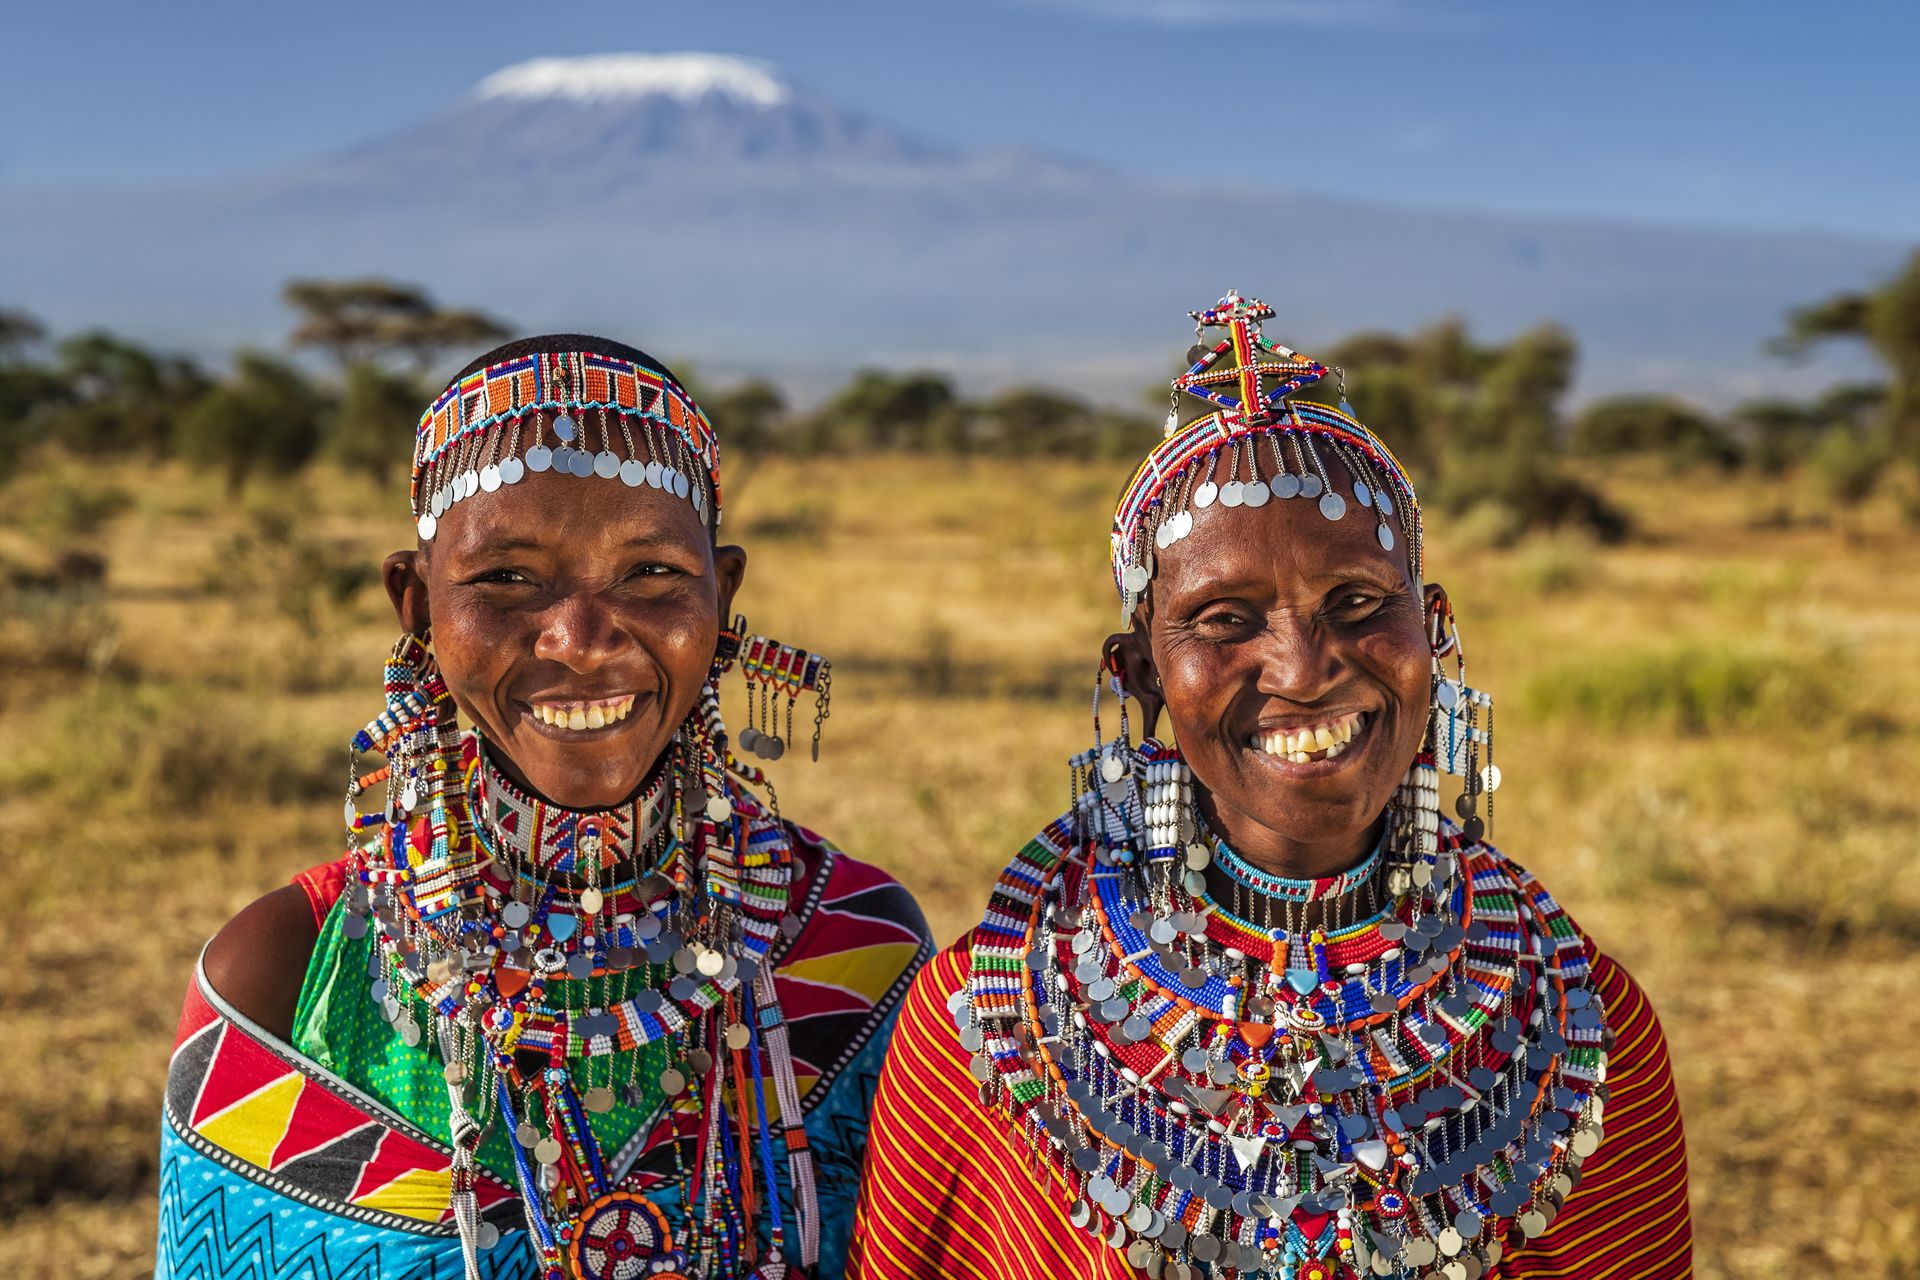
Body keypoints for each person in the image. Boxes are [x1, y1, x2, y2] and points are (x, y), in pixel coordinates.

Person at [850, 293, 1689, 1279]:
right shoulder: (987, 1026)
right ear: (1142, 675)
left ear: (1437, 628)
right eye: (1224, 618)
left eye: (1358, 602)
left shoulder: (1578, 1028)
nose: (1303, 667)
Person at [156, 336, 931, 1280]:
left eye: (650, 574)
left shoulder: (854, 953)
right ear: (415, 605)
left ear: (723, 596)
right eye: (506, 580)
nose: (580, 640)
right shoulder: (283, 977)